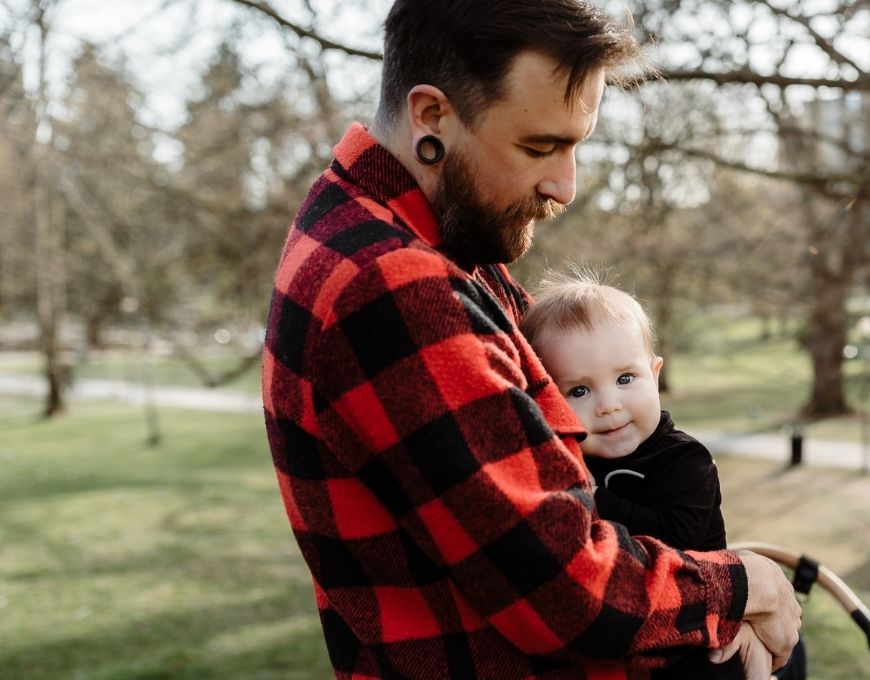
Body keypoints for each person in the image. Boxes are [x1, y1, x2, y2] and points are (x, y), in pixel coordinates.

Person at [260, 1, 800, 679]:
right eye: (540, 147)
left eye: (577, 145)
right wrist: (747, 585)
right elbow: (569, 593)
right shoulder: (395, 285)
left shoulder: (435, 238)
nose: (564, 185)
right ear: (432, 116)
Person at [520, 273, 741, 679]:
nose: (608, 405)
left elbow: (680, 543)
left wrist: (587, 496)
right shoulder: (565, 458)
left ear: (654, 375)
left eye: (625, 379)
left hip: (697, 648)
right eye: (579, 391)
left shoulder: (684, 460)